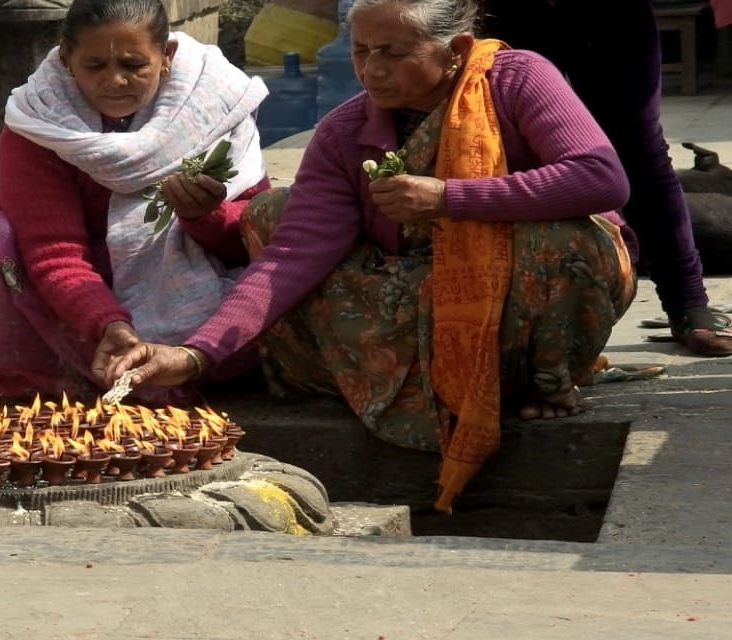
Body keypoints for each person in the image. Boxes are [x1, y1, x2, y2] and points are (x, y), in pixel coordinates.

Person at [104, 0, 637, 511]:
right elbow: (293, 253)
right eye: (361, 51)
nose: (371, 70)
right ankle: (433, 383)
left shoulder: (517, 79)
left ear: (456, 49)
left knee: (564, 242)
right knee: (270, 215)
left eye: (393, 52)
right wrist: (197, 353)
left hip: (515, 294)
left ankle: (539, 379)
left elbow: (600, 178)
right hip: (424, 290)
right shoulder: (346, 130)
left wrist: (450, 197)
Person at [0, 0, 270, 405]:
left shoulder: (215, 106)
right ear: (67, 58)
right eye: (95, 66)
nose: (115, 81)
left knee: (280, 215)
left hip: (182, 271)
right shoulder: (38, 122)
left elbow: (252, 236)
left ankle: (182, 360)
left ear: (167, 57)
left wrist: (202, 216)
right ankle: (39, 373)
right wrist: (106, 323)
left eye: (133, 65)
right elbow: (53, 250)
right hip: (71, 288)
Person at [481, 0, 732, 357]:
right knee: (499, 144)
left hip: (609, 11)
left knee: (641, 151)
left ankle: (687, 302)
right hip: (508, 9)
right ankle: (505, 320)